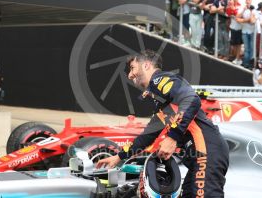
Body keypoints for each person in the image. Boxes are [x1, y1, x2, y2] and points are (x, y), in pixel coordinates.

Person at [96, 50, 229, 197]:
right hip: (201, 156)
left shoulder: (159, 80)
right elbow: (147, 136)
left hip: (207, 150)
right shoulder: (160, 99)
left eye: (132, 68)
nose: (130, 75)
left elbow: (192, 99)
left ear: (146, 65)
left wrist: (172, 137)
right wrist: (119, 156)